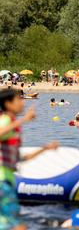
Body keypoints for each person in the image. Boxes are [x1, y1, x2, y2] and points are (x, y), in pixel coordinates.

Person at [0, 89, 59, 230]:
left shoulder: (11, 124)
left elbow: (20, 157)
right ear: (8, 104)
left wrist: (45, 148)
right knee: (17, 227)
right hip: (2, 182)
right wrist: (24, 119)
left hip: (7, 180)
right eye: (18, 99)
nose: (23, 102)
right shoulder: (5, 120)